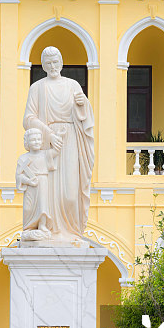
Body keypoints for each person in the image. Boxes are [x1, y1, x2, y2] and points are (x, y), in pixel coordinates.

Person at [23, 46, 94, 242]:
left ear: (61, 63)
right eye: (48, 63)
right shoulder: (37, 87)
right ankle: (50, 229)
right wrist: (48, 134)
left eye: (56, 62)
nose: (53, 66)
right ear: (44, 66)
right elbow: (28, 119)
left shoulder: (73, 85)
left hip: (70, 140)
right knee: (49, 191)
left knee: (70, 193)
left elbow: (85, 117)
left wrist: (82, 104)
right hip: (49, 143)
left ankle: (71, 231)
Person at [16, 128, 57, 241]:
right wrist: (28, 181)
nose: (36, 142)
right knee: (29, 207)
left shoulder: (45, 154)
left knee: (42, 206)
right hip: (30, 186)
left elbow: (57, 150)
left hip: (43, 182)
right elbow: (19, 176)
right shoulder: (23, 158)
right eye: (33, 140)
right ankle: (29, 227)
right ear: (27, 142)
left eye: (39, 139)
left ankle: (42, 225)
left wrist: (58, 136)